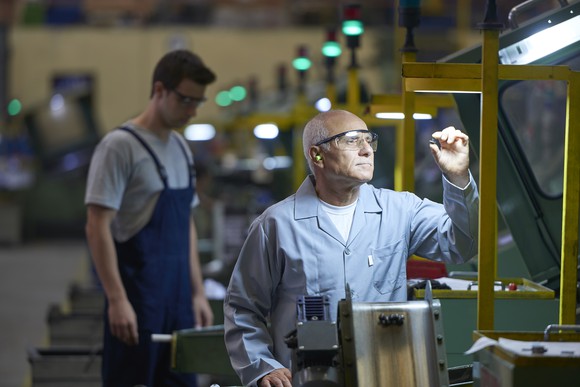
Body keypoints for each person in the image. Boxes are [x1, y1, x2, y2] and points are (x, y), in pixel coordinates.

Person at [224, 109, 479, 387]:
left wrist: (458, 179)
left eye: (369, 140)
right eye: (352, 140)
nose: (367, 150)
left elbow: (462, 244)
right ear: (317, 155)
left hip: (384, 376)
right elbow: (243, 308)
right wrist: (263, 368)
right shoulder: (276, 225)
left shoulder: (401, 210)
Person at [84, 49, 216, 387]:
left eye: (197, 102)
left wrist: (197, 293)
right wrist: (116, 299)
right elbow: (96, 226)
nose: (192, 110)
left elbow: (185, 223)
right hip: (138, 301)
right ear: (159, 90)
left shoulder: (181, 149)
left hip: (179, 302)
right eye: (186, 100)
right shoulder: (119, 147)